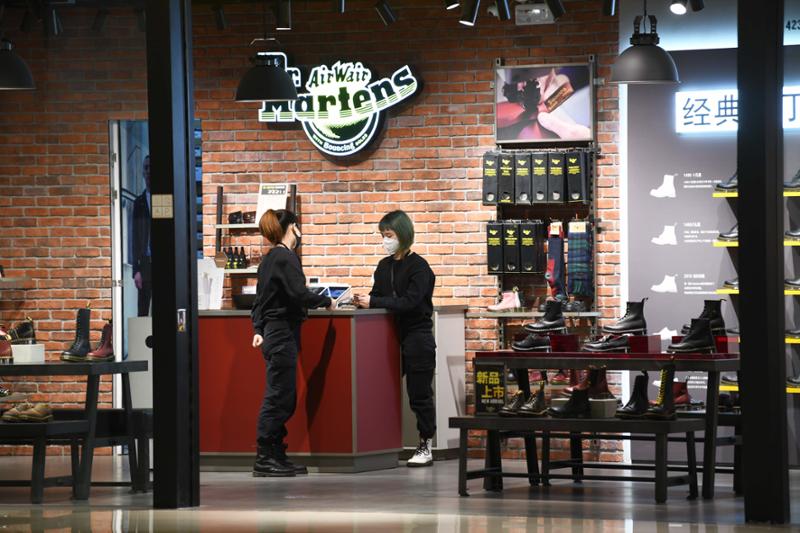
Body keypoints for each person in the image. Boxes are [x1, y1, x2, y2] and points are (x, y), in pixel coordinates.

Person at [250, 209, 331, 478]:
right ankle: (265, 457)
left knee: (283, 396)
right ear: (293, 227)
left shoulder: (269, 259)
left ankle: (275, 454)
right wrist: (327, 301)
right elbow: (299, 294)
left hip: (275, 334)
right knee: (279, 397)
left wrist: (258, 329)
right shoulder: (285, 257)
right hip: (282, 333)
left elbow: (259, 301)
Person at [353, 210, 437, 467]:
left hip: (417, 337)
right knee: (381, 390)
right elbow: (377, 296)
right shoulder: (383, 266)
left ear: (402, 234)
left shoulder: (419, 267)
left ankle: (425, 443)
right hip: (389, 337)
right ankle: (380, 442)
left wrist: (374, 301)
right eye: (382, 235)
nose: (385, 240)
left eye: (388, 235)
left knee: (419, 394)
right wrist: (364, 302)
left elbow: (410, 302)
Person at [131, 155, 152, 317]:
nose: (149, 171)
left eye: (151, 167)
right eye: (146, 168)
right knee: (143, 311)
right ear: (143, 172)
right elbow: (135, 239)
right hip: (145, 263)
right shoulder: (139, 203)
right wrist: (136, 270)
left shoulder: (164, 200)